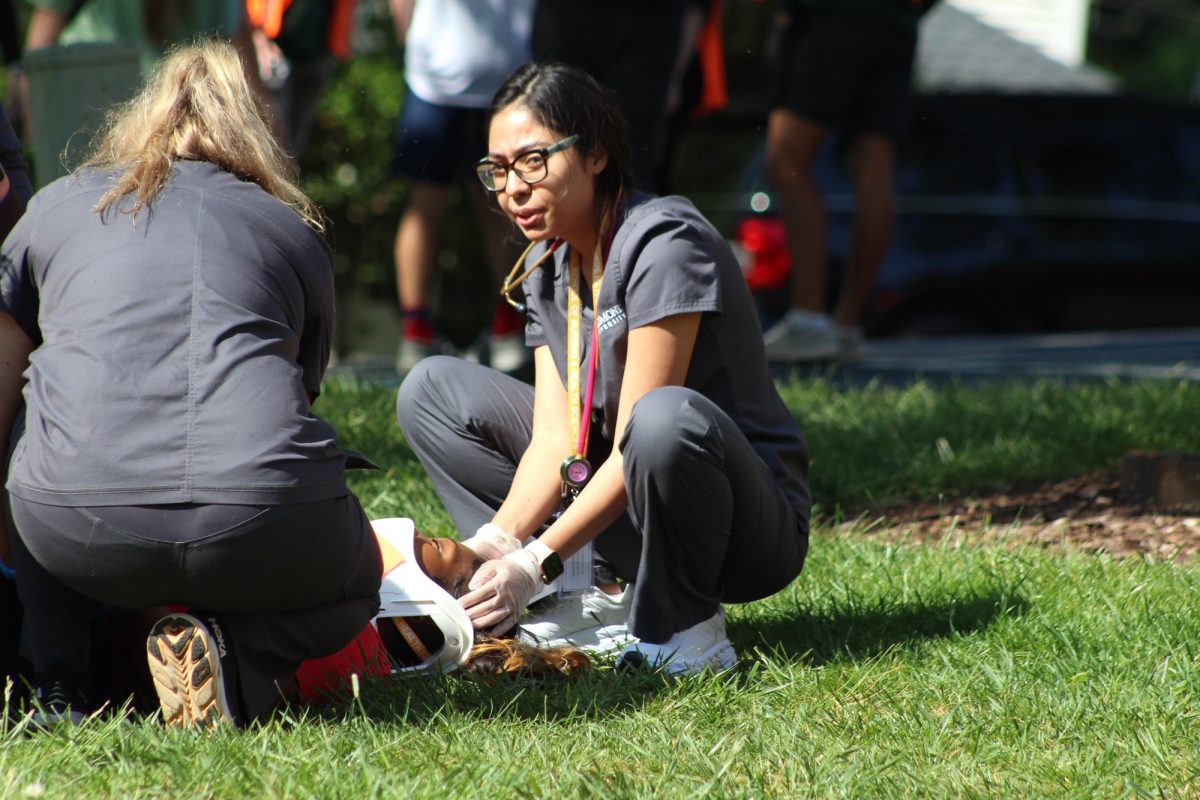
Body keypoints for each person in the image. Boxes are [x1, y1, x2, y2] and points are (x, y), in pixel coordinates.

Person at [0, 39, 383, 729]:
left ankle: (64, 683)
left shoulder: (53, 210)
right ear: (254, 127)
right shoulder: (293, 231)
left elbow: (2, 391)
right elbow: (292, 400)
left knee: (35, 419)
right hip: (260, 518)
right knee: (361, 583)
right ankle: (235, 656)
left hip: (71, 528)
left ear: (138, 117)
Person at [396, 61, 811, 675]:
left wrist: (535, 559)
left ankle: (686, 623)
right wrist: (499, 545)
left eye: (533, 160)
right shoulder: (547, 266)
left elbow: (633, 440)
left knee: (661, 418)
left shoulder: (663, 242)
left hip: (740, 530)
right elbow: (553, 442)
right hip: (630, 504)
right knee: (431, 389)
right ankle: (587, 597)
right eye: (498, 170)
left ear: (594, 153)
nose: (513, 187)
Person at [761, 0, 940, 362]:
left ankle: (808, 321)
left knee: (786, 160)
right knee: (874, 172)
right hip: (897, 21)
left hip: (833, 17)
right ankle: (845, 325)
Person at [390, 0, 533, 375]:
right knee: (504, 202)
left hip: (439, 70)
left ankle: (418, 332)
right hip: (499, 67)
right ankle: (508, 329)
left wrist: (411, 45)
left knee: (431, 206)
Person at [528, 0, 695, 193]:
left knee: (629, 166)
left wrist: (675, 78)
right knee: (557, 154)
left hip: (646, 25)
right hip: (566, 23)